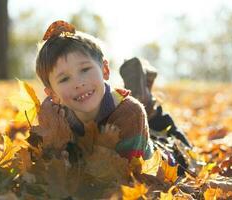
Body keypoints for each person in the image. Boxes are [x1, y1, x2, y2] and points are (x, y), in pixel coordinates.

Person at [30, 20, 191, 170]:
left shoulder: (131, 113)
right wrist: (52, 140)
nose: (78, 83)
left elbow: (126, 174)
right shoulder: (53, 116)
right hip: (121, 134)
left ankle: (147, 103)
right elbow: (48, 164)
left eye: (85, 69)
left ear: (105, 70)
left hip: (154, 158)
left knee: (181, 151)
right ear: (52, 94)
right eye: (65, 79)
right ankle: (140, 94)